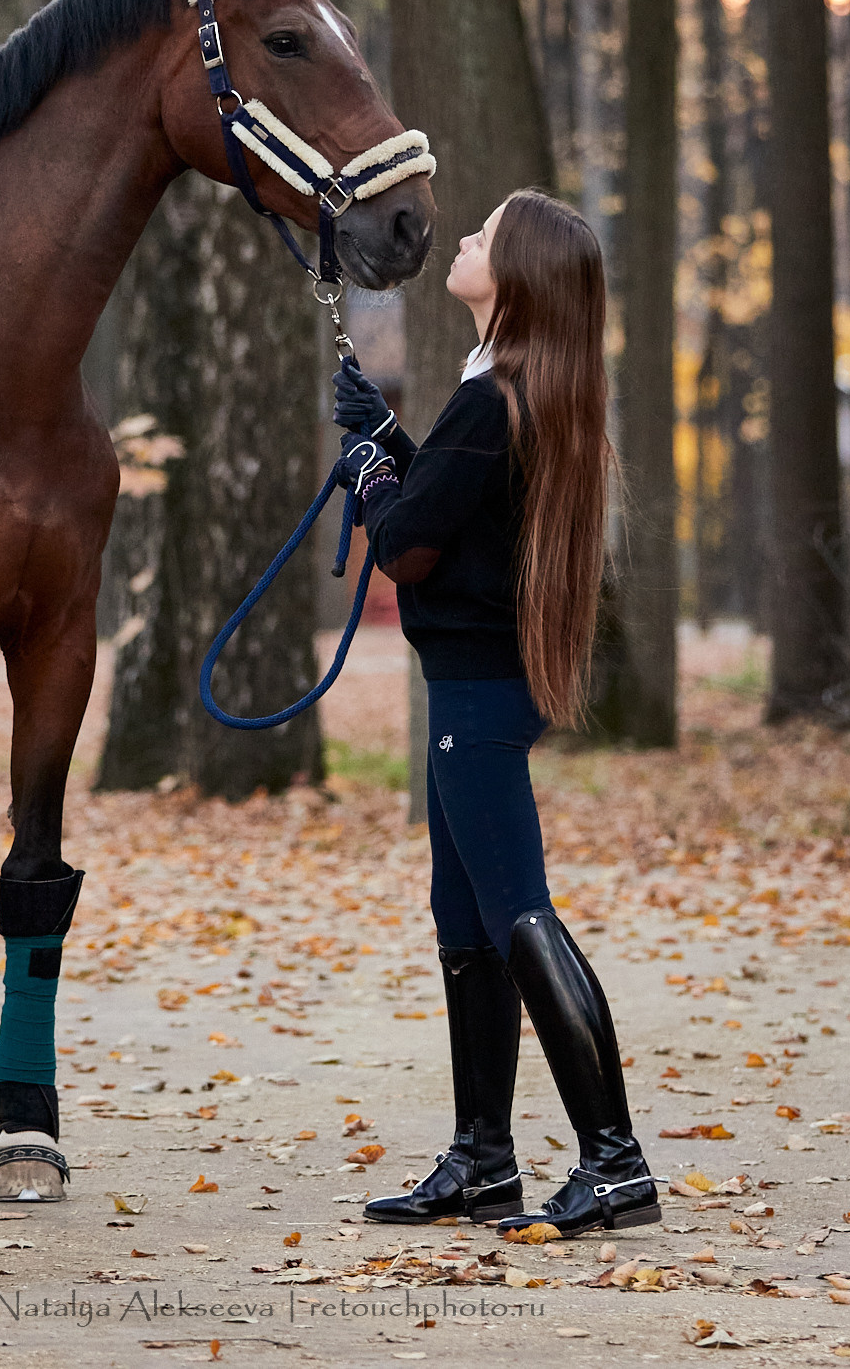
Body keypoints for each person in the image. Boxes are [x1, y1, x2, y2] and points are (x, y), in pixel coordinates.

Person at [331, 188, 660, 1238]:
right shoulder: (506, 391)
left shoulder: (492, 398)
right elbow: (451, 512)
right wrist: (387, 437)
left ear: (511, 279)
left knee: (517, 916)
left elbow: (410, 544)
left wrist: (375, 469)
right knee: (468, 928)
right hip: (474, 689)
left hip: (473, 696)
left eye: (482, 235)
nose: (463, 239)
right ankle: (483, 1161)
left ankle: (613, 1162)